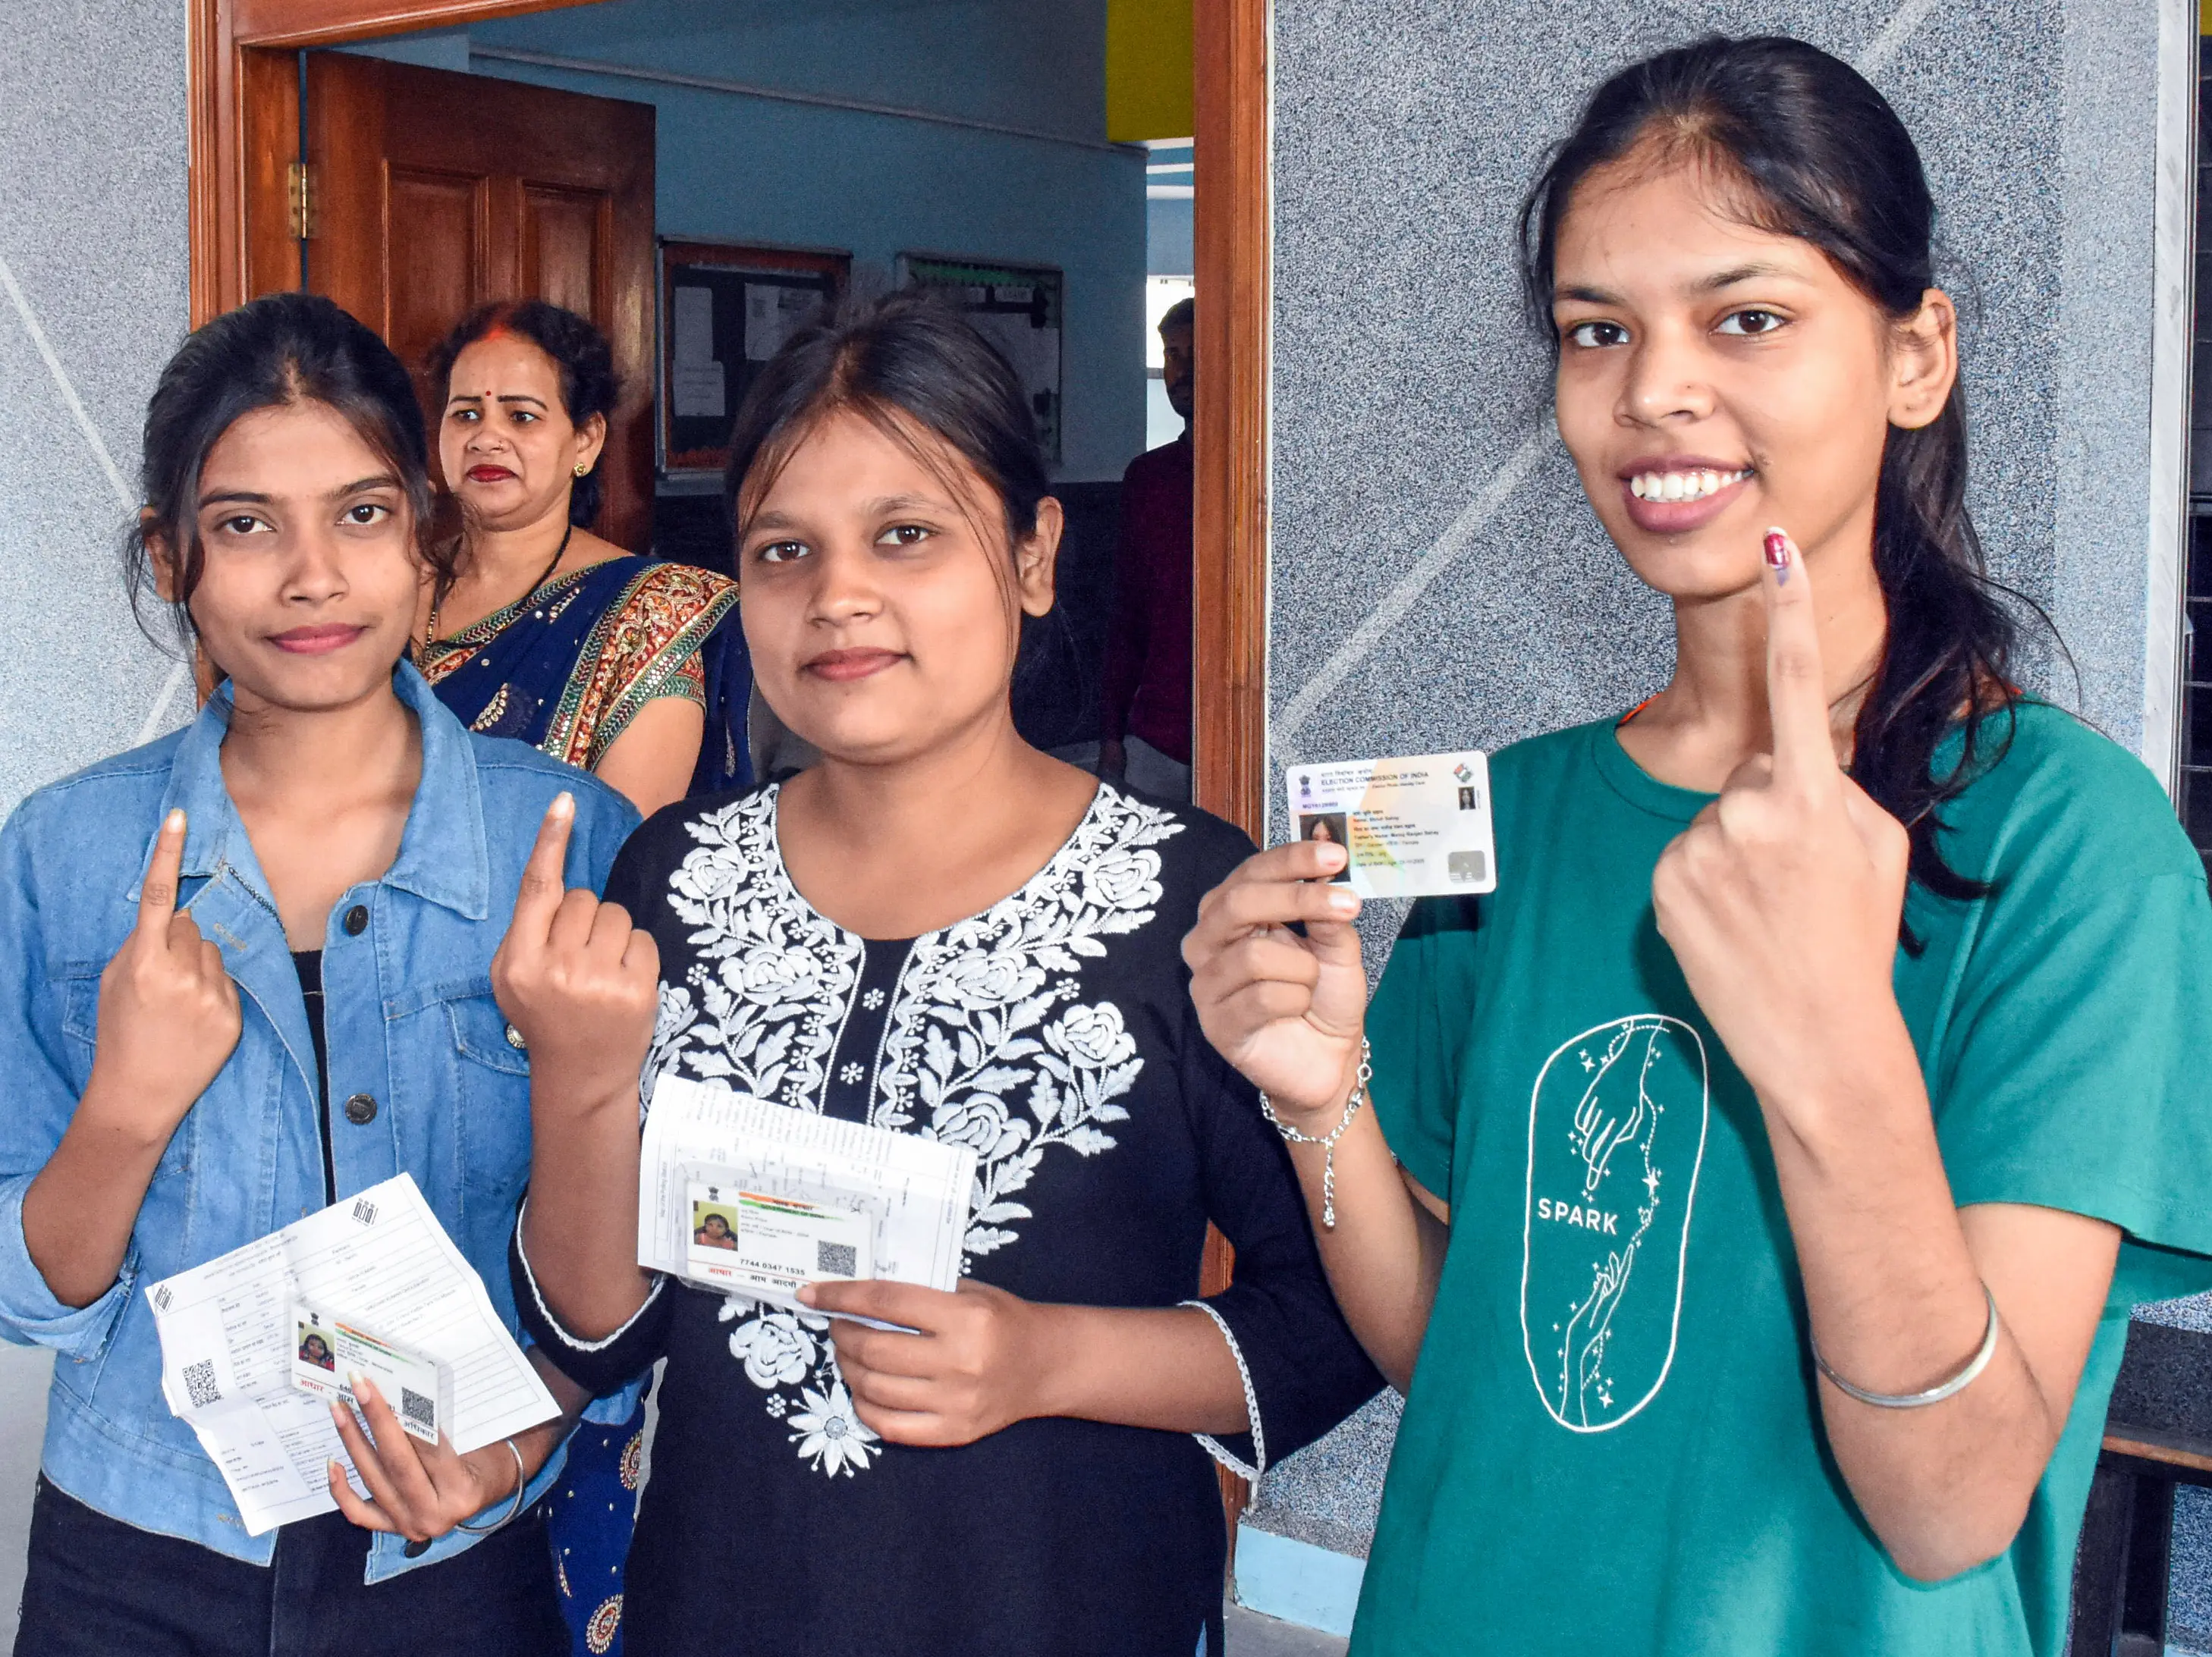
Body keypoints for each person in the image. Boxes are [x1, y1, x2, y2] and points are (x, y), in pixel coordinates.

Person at [1183, 36, 2212, 1657]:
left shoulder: (2073, 848)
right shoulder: (1516, 818)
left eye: (1747, 317)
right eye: (1600, 331)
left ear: (1916, 353)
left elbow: (1948, 1505)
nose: (1653, 388)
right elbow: (1463, 1352)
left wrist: (1834, 1047)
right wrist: (1329, 1106)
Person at [499, 293, 1381, 1657]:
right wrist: (577, 1078)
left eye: (906, 535)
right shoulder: (671, 882)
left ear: (1033, 557)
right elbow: (607, 1334)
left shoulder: (1191, 898)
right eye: (784, 550)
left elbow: (1330, 1331)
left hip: (1062, 1604)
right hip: (721, 1603)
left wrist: (1047, 1359)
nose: (839, 596)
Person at [0, 292, 638, 1656]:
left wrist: (523, 1434)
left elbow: (646, 1253)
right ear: (172, 557)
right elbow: (26, 1287)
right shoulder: (63, 851)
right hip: (137, 1549)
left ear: (422, 538)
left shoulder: (568, 841)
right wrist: (126, 1108)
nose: (310, 577)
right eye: (244, 525)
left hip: (457, 1544)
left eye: (358, 514)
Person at [417, 300, 746, 818]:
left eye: (522, 416)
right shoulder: (390, 581)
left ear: (586, 441)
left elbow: (618, 841)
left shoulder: (649, 611)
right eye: (466, 414)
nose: (486, 437)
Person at [1099, 297, 1195, 800]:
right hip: (1158, 735)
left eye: (1197, 352)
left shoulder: (1261, 472)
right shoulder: (1149, 478)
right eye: (1172, 354)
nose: (1183, 369)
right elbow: (1128, 615)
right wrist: (1112, 733)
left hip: (1251, 733)